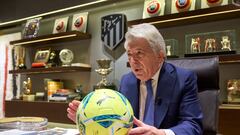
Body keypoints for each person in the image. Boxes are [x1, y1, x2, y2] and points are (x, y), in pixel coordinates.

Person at [67, 23, 203, 135]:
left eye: (139, 53)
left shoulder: (184, 79)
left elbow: (193, 125)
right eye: (129, 55)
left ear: (160, 56)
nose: (133, 61)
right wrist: (88, 119)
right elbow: (118, 120)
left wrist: (161, 133)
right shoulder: (127, 81)